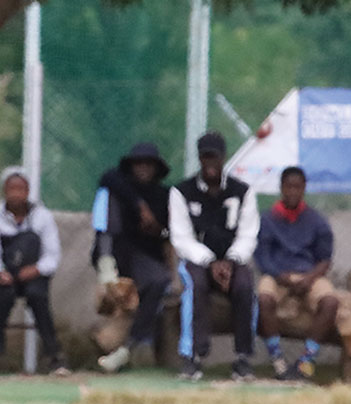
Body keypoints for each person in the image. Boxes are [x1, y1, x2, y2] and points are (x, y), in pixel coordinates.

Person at [170, 131, 257, 382]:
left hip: (233, 260)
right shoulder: (181, 192)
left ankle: (243, 358)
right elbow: (181, 237)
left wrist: (230, 260)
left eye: (214, 158)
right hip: (198, 260)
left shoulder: (243, 191)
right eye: (205, 157)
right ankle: (191, 356)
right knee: (193, 285)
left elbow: (248, 234)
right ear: (199, 158)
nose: (210, 163)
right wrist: (209, 261)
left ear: (223, 158)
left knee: (245, 285)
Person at [0, 167, 69, 376]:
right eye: (12, 188)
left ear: (28, 191)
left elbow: (52, 255)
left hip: (34, 275)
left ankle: (55, 357)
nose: (16, 193)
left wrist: (36, 269)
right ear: (4, 191)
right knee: (2, 300)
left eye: (21, 189)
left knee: (38, 297)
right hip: (7, 275)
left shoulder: (43, 217)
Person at [92, 141, 174, 373]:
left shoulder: (164, 195)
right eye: (139, 163)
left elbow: (169, 232)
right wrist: (139, 205)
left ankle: (127, 348)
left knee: (158, 282)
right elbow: (107, 177)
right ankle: (106, 265)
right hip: (116, 253)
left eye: (149, 164)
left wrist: (158, 229)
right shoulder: (120, 185)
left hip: (147, 255)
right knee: (109, 199)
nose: (143, 168)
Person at [254, 166, 340, 381]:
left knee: (330, 302)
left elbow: (325, 259)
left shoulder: (317, 220)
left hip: (309, 275)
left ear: (304, 189)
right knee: (263, 299)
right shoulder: (267, 219)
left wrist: (309, 279)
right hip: (277, 276)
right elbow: (262, 257)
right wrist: (280, 276)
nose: (292, 191)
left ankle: (306, 361)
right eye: (288, 186)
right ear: (281, 188)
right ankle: (278, 361)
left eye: (297, 187)